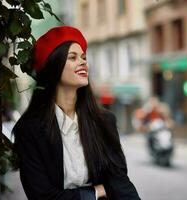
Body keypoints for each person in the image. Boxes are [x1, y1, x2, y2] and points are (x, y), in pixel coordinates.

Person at [13, 26, 141, 200]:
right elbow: (42, 196)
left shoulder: (104, 121)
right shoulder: (29, 129)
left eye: (83, 57)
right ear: (54, 66)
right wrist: (95, 192)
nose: (83, 62)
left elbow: (119, 181)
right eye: (72, 57)